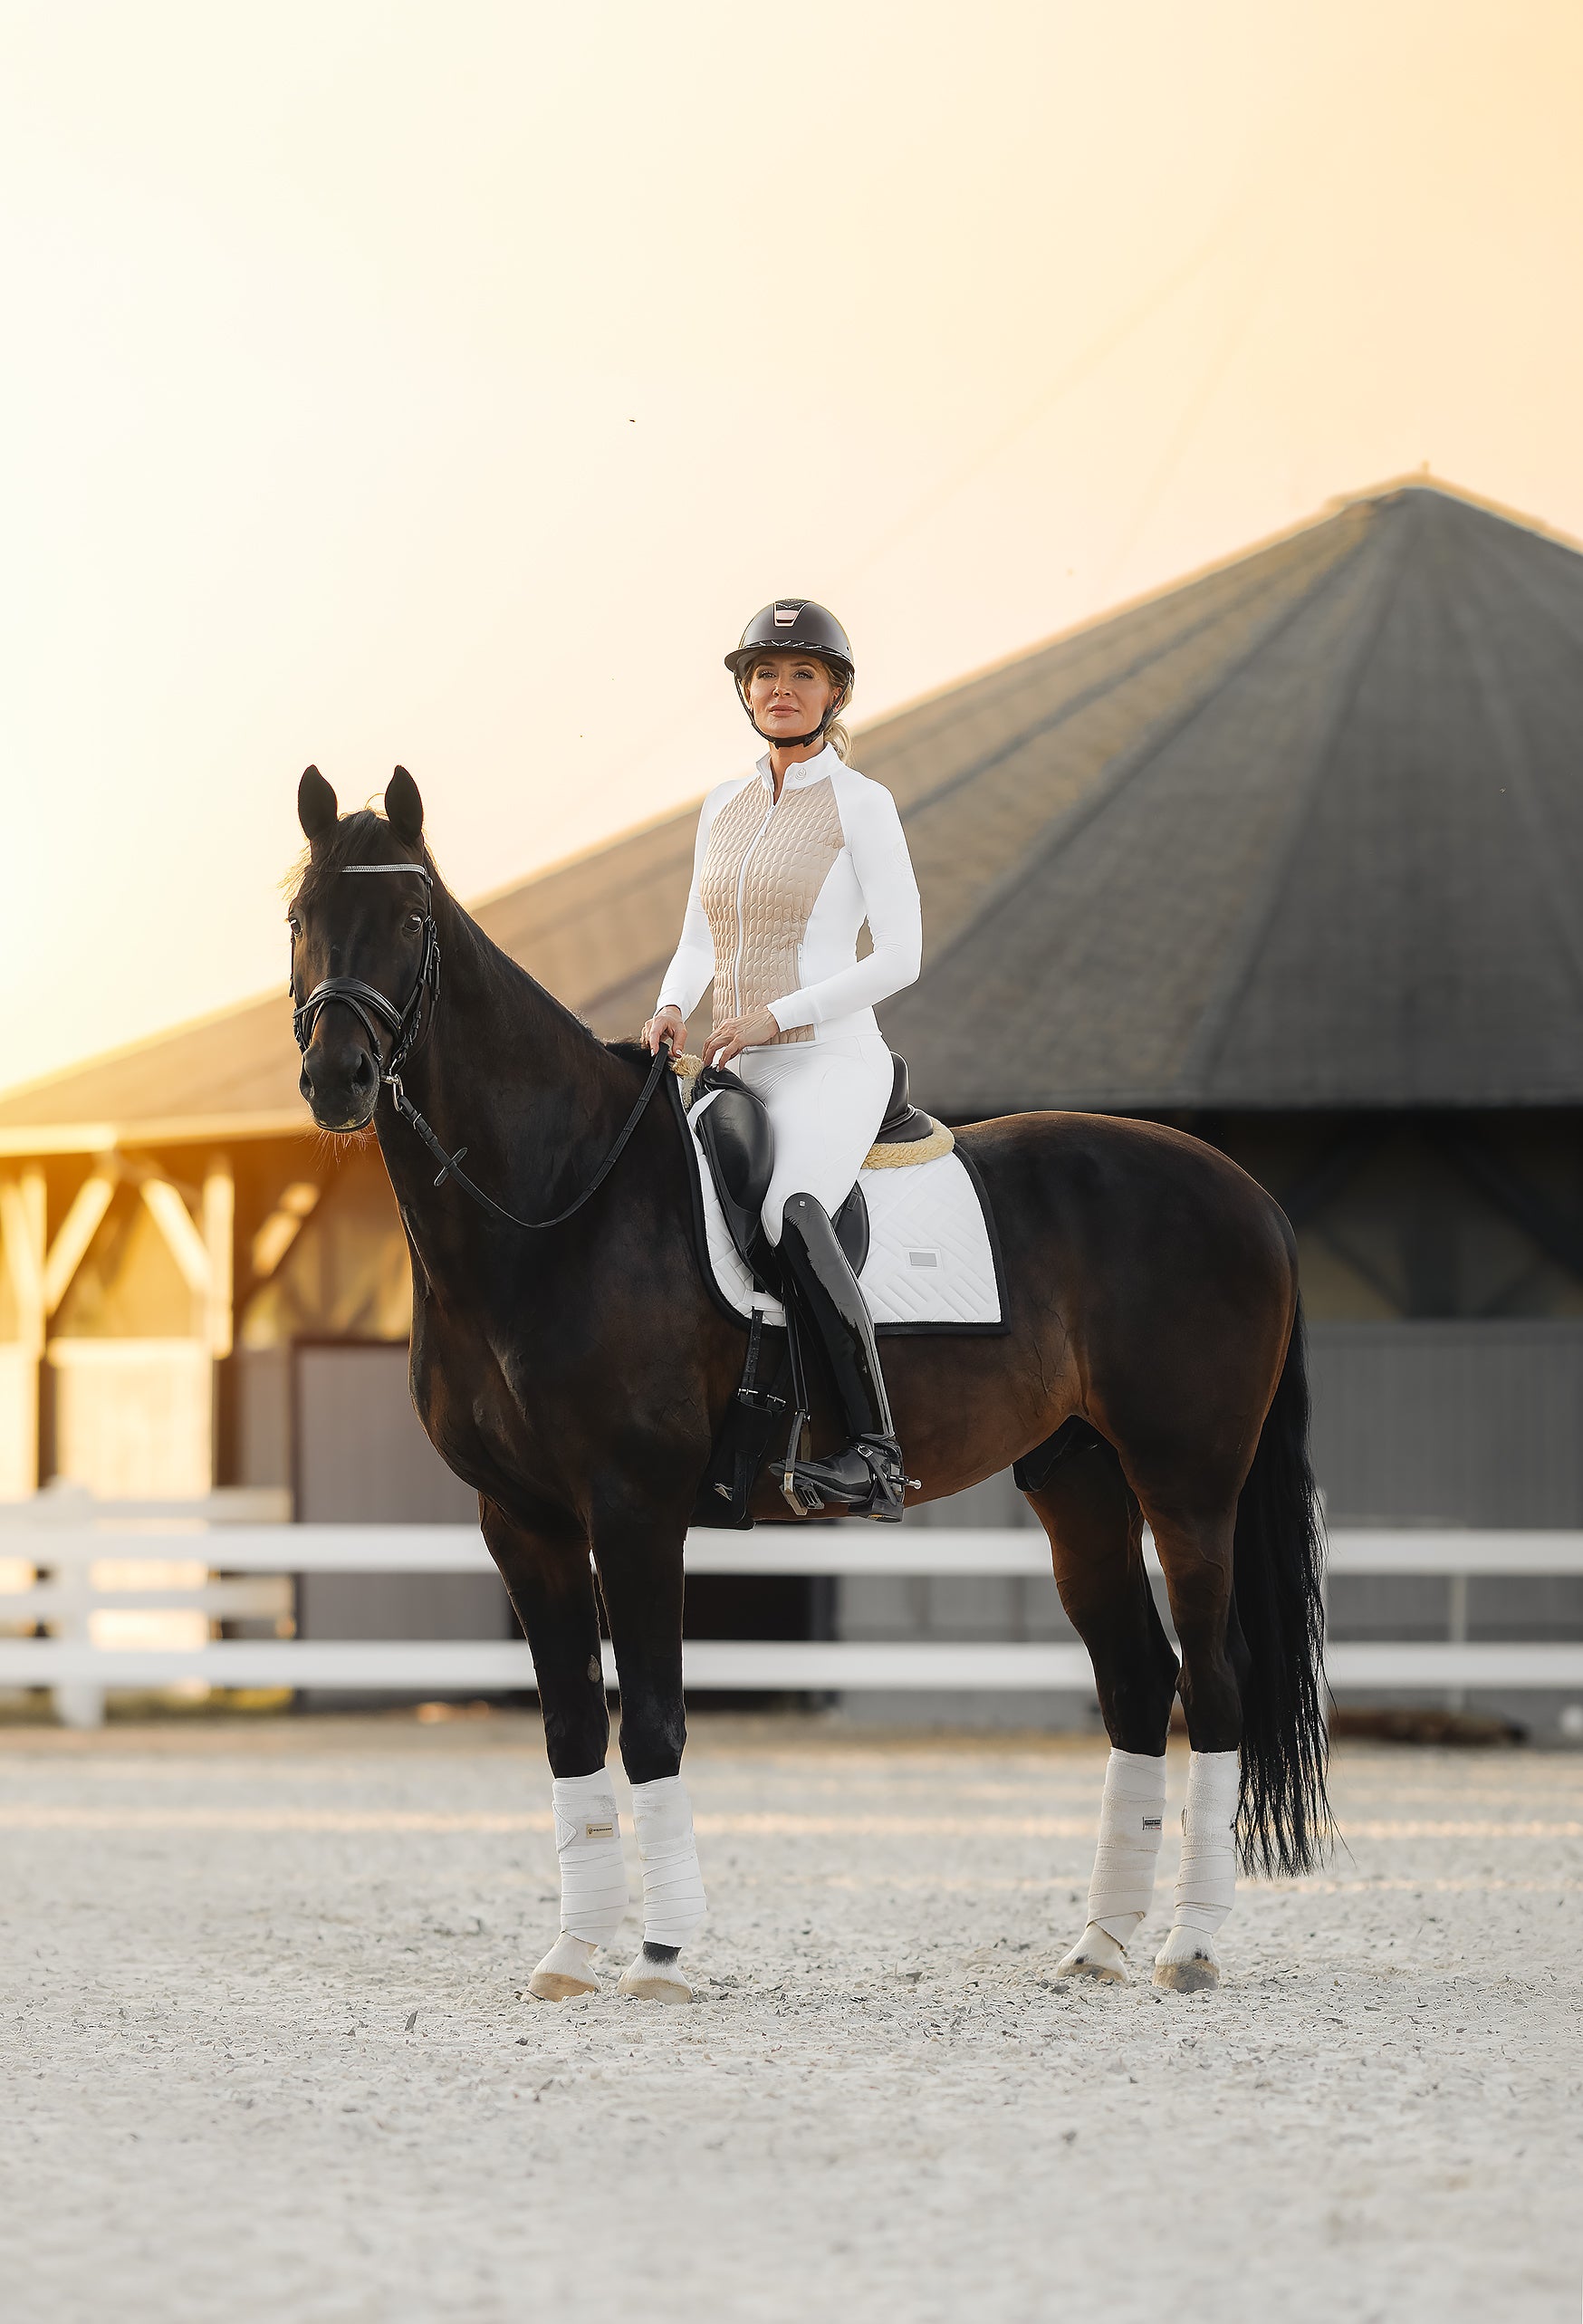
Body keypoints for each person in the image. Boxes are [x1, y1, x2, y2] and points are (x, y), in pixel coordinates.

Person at [643, 600, 923, 1520]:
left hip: (833, 1060)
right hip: (738, 1061)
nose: (780, 689)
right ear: (744, 691)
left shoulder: (861, 803)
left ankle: (872, 1449)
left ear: (832, 691)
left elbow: (899, 956)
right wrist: (670, 1005)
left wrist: (777, 1016)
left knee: (787, 1207)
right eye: (765, 673)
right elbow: (698, 938)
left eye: (802, 674)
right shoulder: (721, 804)